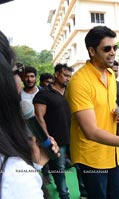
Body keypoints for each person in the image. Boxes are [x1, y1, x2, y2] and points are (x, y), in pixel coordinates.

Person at [65, 26, 119, 199]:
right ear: (92, 51)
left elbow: (111, 103)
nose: (113, 52)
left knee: (115, 195)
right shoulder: (79, 82)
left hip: (112, 153)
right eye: (107, 48)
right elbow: (91, 132)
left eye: (115, 48)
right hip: (91, 157)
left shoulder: (111, 75)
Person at [0, 30, 59, 198]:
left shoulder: (42, 93)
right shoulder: (15, 176)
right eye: (16, 72)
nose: (22, 80)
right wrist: (31, 170)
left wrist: (35, 164)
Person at [33, 64, 73, 199]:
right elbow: (39, 118)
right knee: (59, 168)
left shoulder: (71, 91)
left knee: (79, 165)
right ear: (56, 74)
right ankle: (64, 194)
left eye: (69, 76)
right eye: (65, 75)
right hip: (57, 139)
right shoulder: (43, 94)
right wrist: (47, 137)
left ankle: (84, 193)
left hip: (74, 137)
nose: (68, 78)